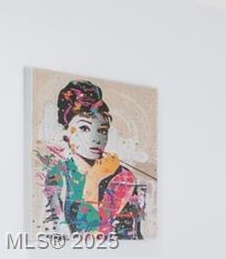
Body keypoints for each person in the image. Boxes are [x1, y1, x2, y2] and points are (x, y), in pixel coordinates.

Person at [39, 79, 148, 239]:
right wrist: (94, 179)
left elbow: (116, 236)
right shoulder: (58, 174)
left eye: (102, 130)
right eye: (84, 128)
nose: (96, 138)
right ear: (66, 134)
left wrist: (95, 179)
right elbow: (55, 234)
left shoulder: (123, 177)